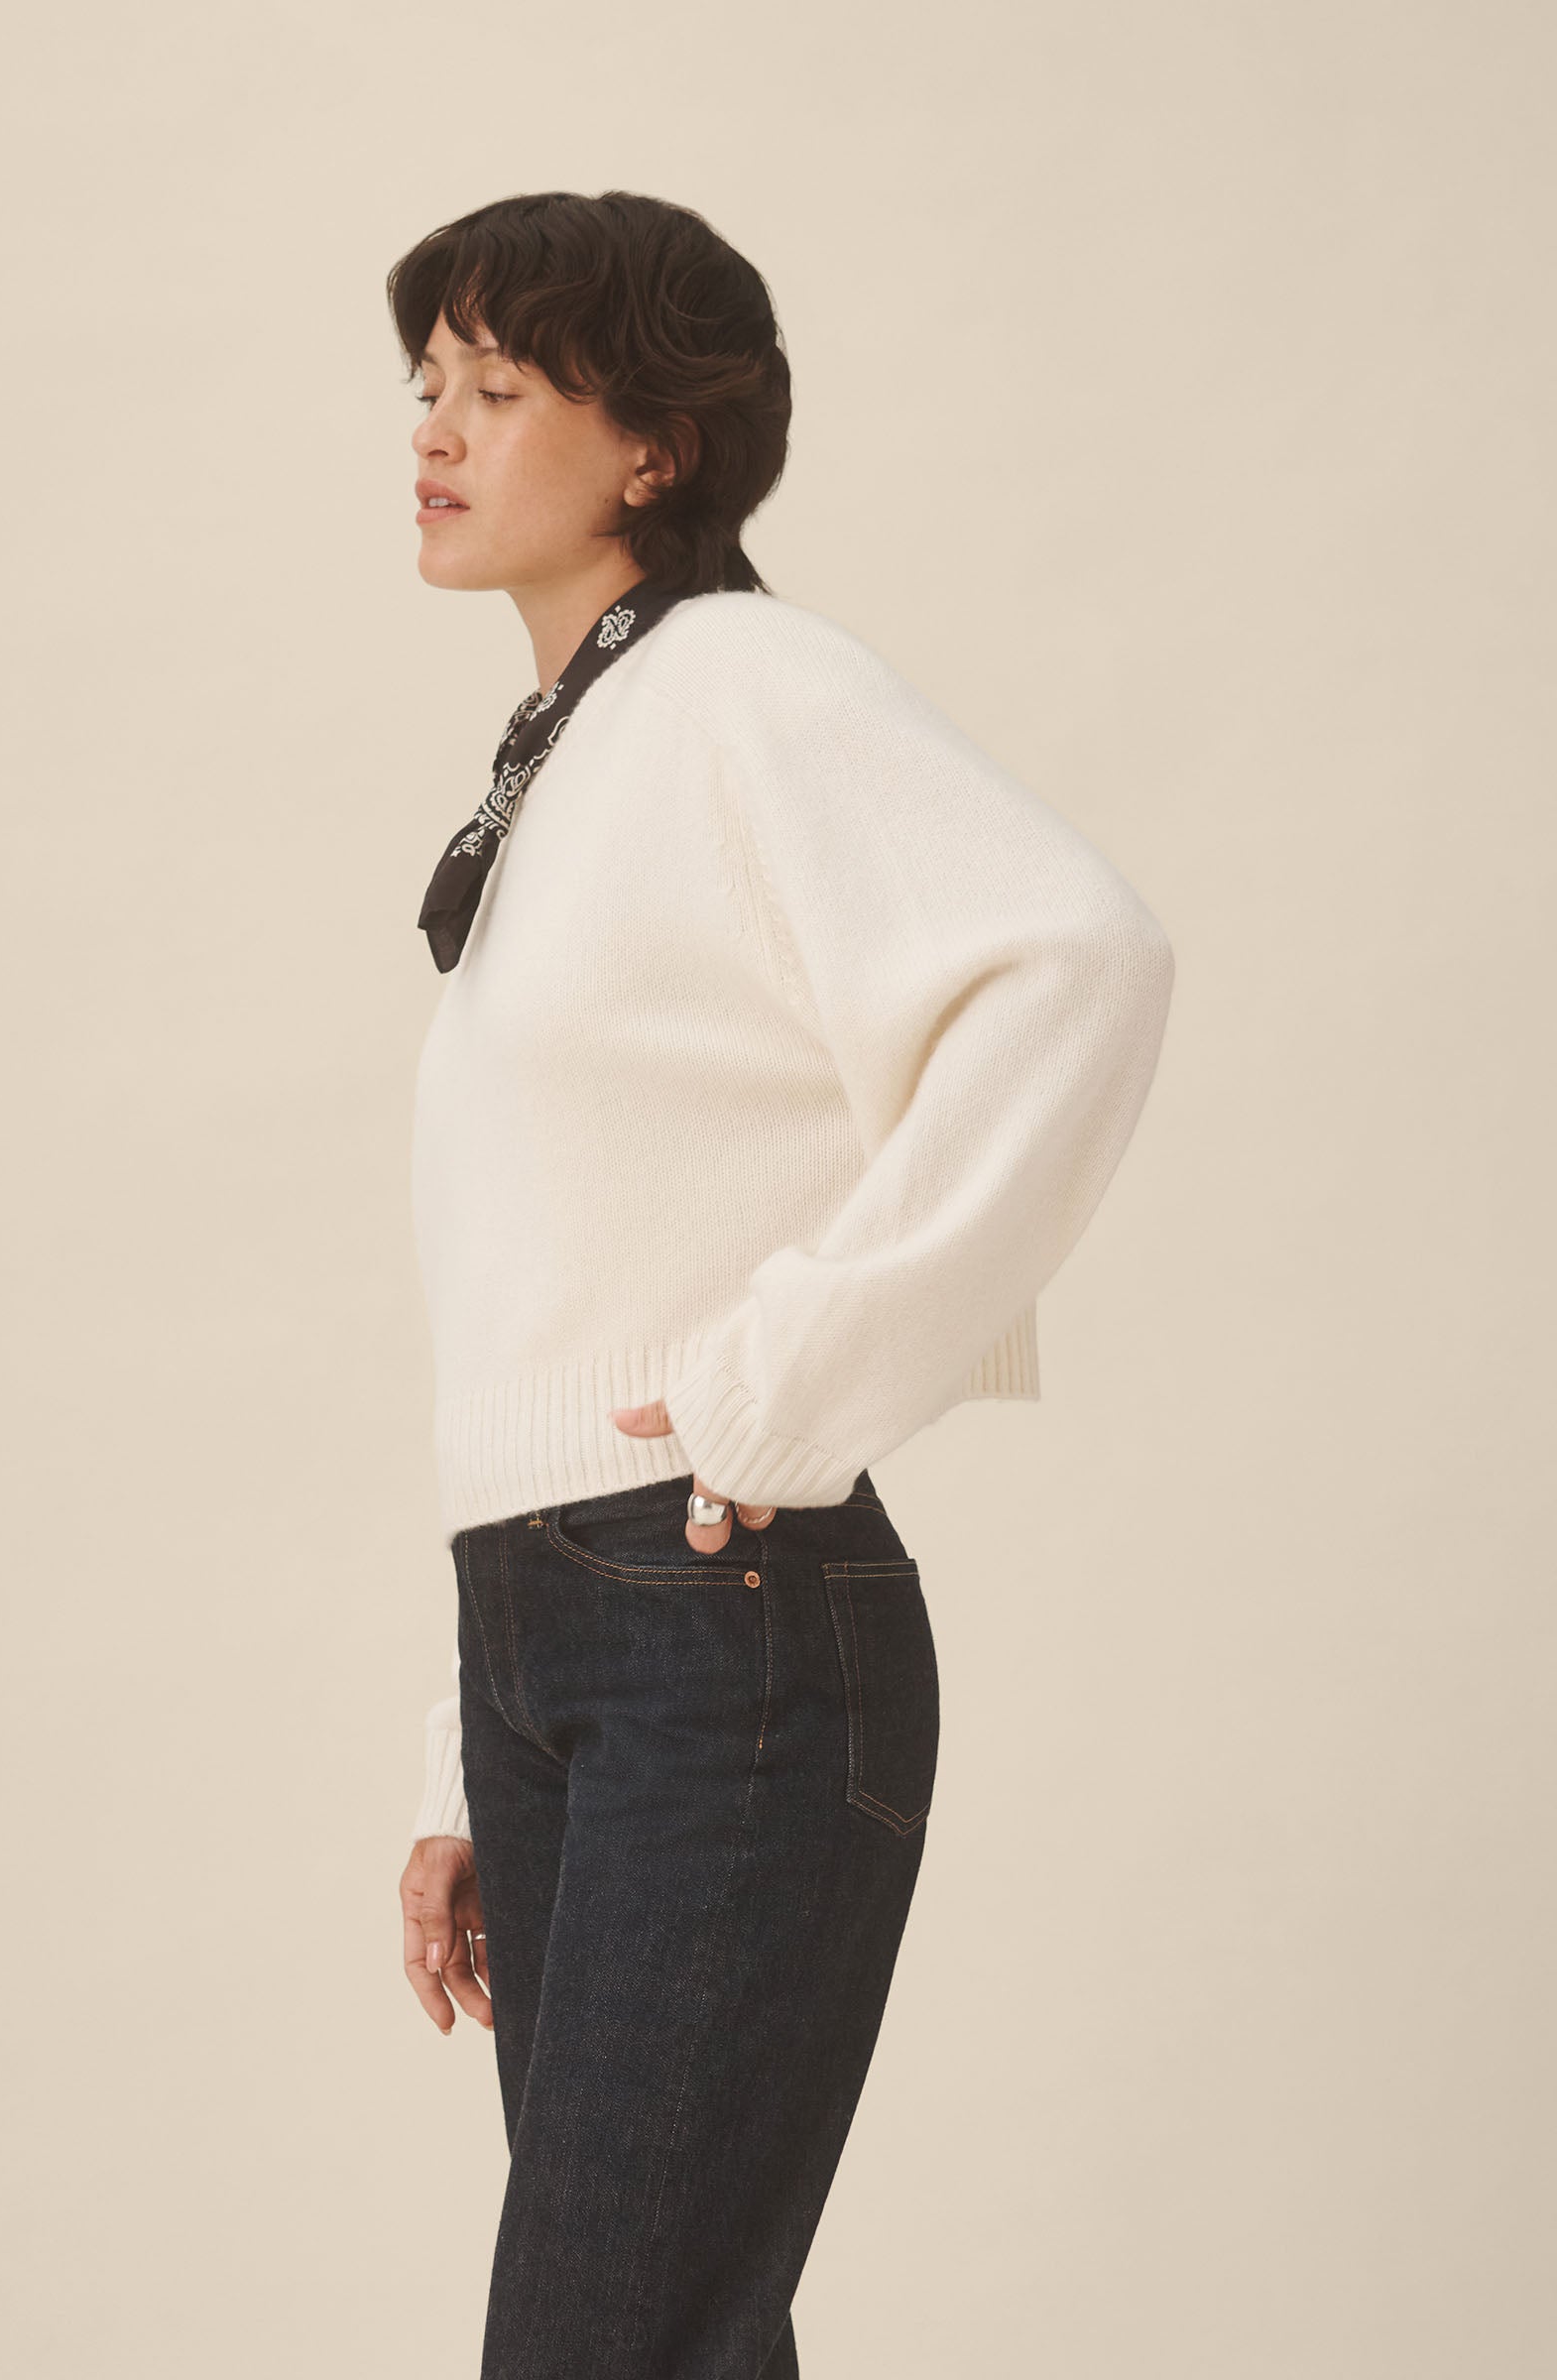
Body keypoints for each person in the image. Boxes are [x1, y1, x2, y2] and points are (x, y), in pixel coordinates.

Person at [388, 189, 1175, 2379]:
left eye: (497, 388)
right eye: (424, 386)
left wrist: (800, 1380)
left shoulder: (740, 686)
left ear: (656, 446)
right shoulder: (575, 754)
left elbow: (1079, 961)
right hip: (564, 1635)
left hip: (713, 1621)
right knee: (655, 2339)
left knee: (610, 2343)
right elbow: (546, 1272)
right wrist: (463, 1734)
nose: (433, 431)